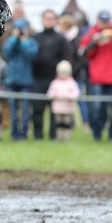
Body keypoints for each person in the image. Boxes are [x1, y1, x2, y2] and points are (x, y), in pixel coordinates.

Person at [79, 10, 112, 141]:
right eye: (102, 21)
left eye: (107, 21)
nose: (105, 24)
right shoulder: (91, 33)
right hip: (97, 78)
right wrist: (95, 42)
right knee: (97, 108)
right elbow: (85, 53)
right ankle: (97, 133)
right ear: (98, 21)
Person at [30, 10, 71, 140]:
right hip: (37, 78)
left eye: (51, 18)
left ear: (55, 21)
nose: (49, 21)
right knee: (37, 109)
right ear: (42, 20)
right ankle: (38, 135)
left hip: (56, 80)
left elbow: (66, 57)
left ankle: (54, 136)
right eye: (46, 18)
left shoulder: (61, 39)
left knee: (55, 110)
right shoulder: (36, 38)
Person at [2, 19, 38, 140]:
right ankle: (14, 132)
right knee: (13, 109)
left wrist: (24, 41)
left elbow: (31, 55)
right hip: (11, 81)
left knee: (24, 109)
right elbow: (6, 52)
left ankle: (24, 133)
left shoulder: (31, 42)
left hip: (25, 82)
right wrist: (14, 38)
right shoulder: (10, 42)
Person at [59, 14, 89, 130]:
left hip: (76, 74)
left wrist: (71, 72)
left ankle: (86, 123)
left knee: (80, 100)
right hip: (66, 74)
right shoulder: (65, 38)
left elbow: (79, 59)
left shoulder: (76, 39)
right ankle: (70, 123)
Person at [46, 60, 80, 142]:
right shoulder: (55, 82)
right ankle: (59, 137)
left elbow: (76, 93)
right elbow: (50, 92)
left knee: (67, 123)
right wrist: (54, 95)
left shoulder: (71, 83)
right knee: (58, 123)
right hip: (57, 107)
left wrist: (69, 97)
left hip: (67, 107)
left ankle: (67, 137)